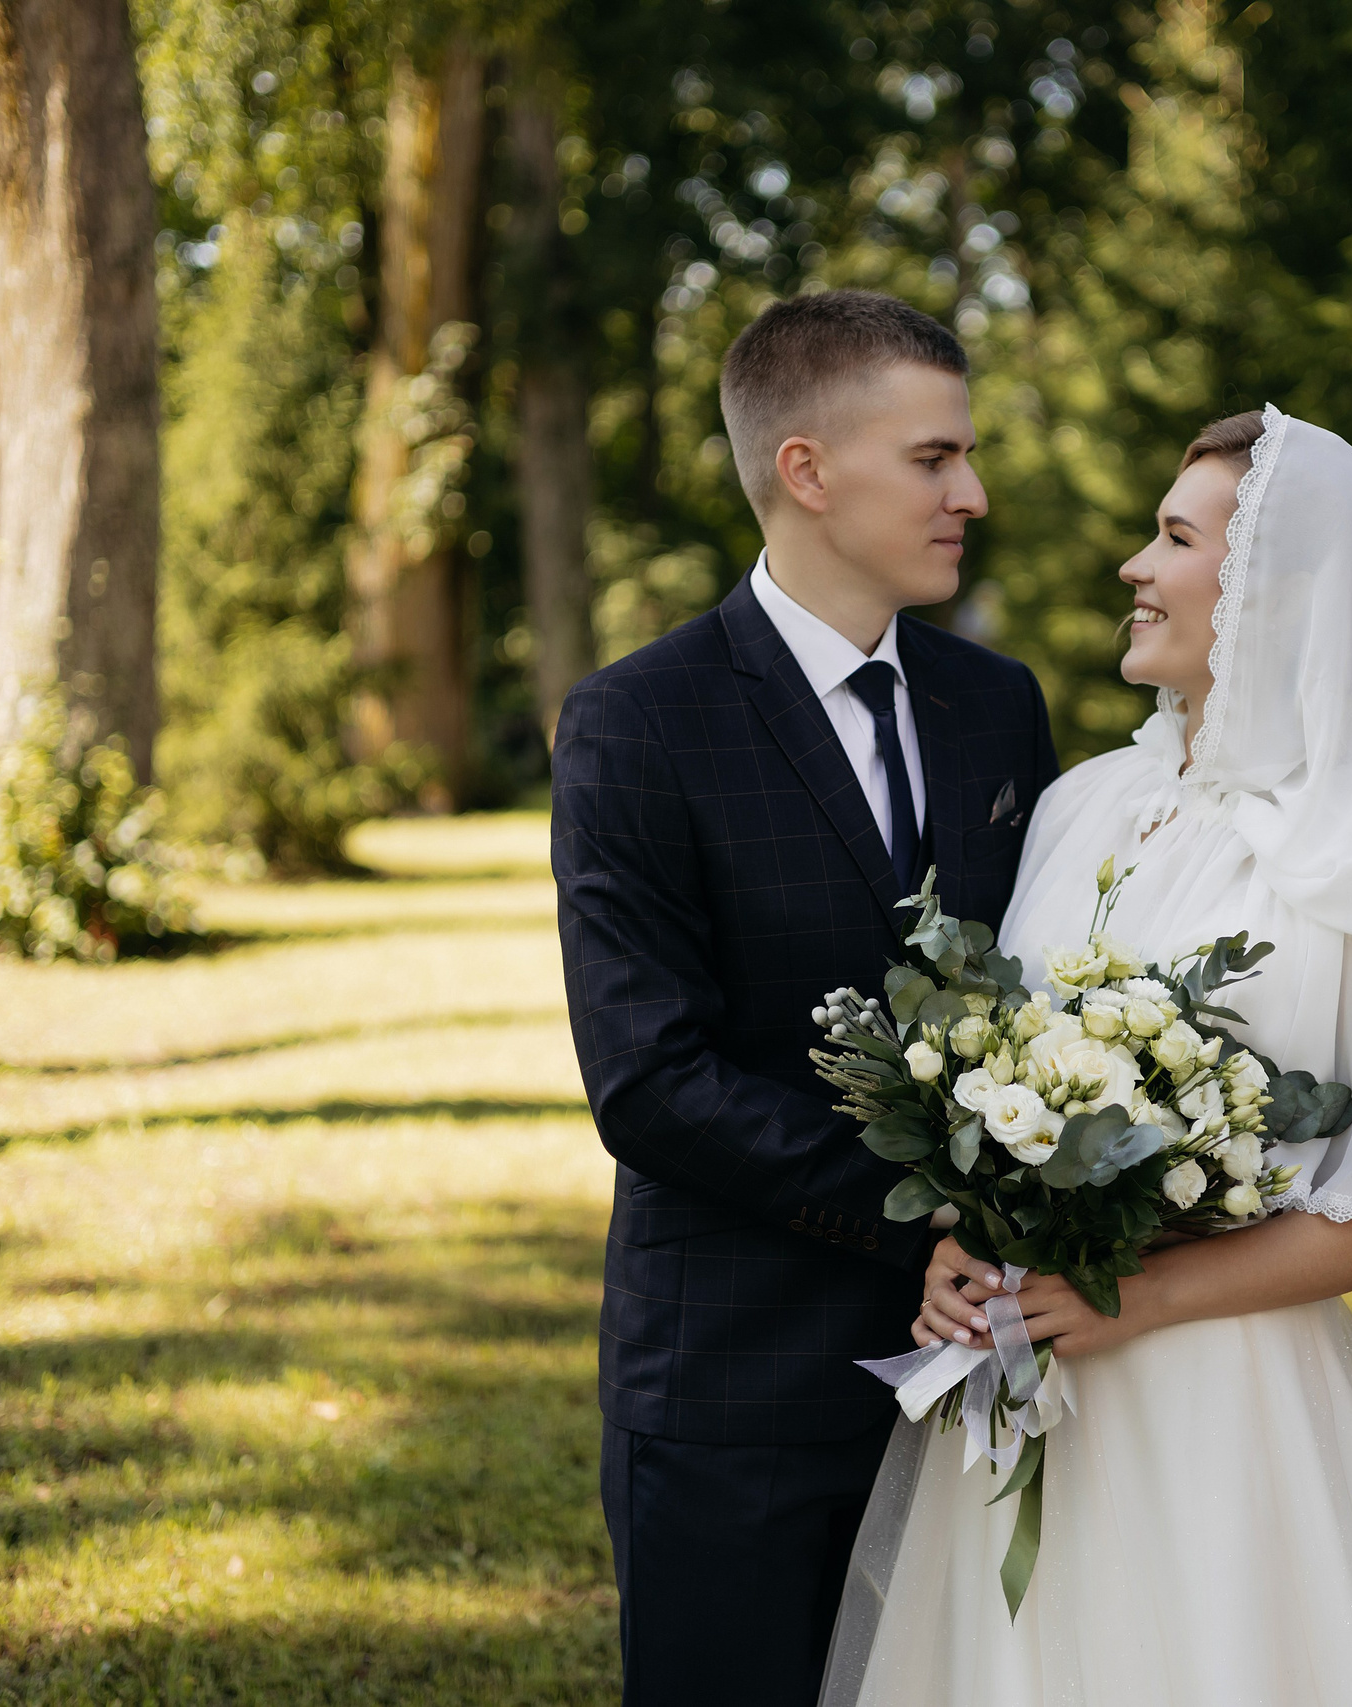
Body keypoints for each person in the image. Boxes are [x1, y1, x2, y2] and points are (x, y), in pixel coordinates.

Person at [824, 407, 1352, 1705]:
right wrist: (966, 1243)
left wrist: (1136, 1298)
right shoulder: (1083, 802)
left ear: (1272, 594)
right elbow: (1002, 1076)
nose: (1136, 565)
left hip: (1216, 1397)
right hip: (1025, 1373)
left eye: (1174, 537)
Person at [549, 290, 1062, 1707]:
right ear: (809, 471)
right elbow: (647, 1078)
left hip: (990, 1371)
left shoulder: (997, 704)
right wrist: (918, 1221)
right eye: (935, 457)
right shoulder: (637, 720)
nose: (973, 492)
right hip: (735, 1372)